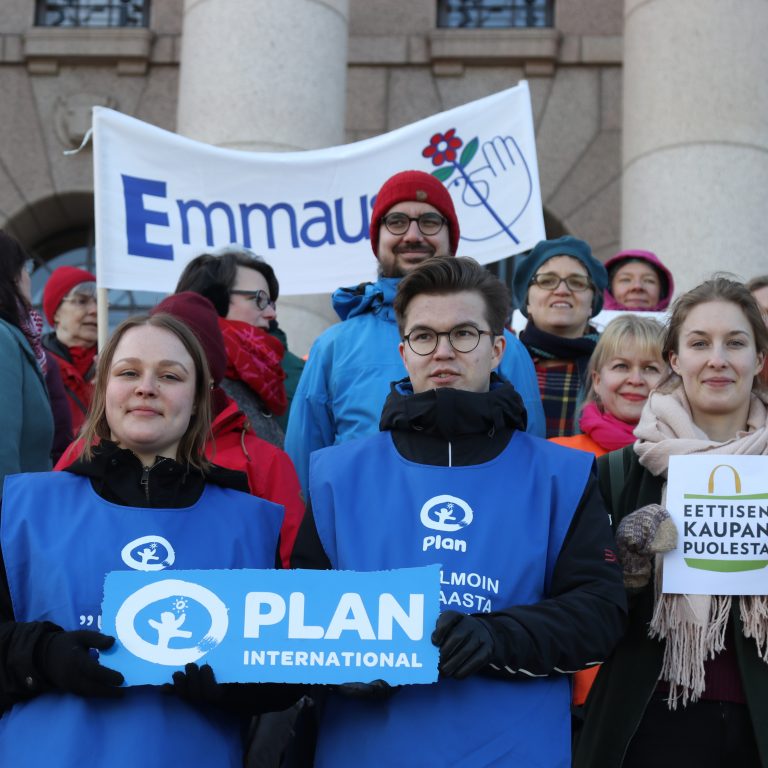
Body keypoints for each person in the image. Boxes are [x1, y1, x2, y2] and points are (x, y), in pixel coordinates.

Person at [292, 256, 626, 767]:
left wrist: (495, 637)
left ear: (497, 350)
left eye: (464, 334)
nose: (443, 351)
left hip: (515, 750)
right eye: (425, 336)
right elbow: (299, 618)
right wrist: (332, 667)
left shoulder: (563, 474)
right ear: (404, 353)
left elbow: (599, 615)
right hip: (367, 749)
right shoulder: (336, 475)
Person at [0, 313, 297, 766]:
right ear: (104, 390)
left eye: (170, 376)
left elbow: (290, 671)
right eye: (128, 372)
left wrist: (241, 682)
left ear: (199, 400)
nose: (146, 387)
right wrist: (41, 654)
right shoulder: (24, 507)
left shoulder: (251, 523)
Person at [574, 277, 768, 767]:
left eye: (736, 343)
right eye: (700, 343)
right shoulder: (617, 472)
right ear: (676, 361)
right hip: (648, 722)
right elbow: (582, 616)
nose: (718, 359)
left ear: (759, 360)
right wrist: (626, 572)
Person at [285, 169, 546, 494]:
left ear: (451, 237)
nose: (412, 235)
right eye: (396, 222)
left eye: (429, 222)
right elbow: (302, 470)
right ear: (376, 238)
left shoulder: (497, 341)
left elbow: (531, 458)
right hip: (365, 534)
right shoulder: (333, 347)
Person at [551, 314, 666, 706]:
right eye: (621, 366)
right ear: (597, 380)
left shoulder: (692, 463)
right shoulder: (557, 456)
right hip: (579, 676)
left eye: (651, 368)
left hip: (665, 678)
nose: (636, 379)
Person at [175, 247, 290, 448]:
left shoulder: (264, 377)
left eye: (271, 303)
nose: (272, 314)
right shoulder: (184, 381)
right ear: (213, 302)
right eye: (259, 299)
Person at [513, 235, 609, 438]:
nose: (562, 290)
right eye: (547, 281)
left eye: (576, 282)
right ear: (527, 302)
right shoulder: (499, 365)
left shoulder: (615, 364)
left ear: (592, 303)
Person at [0, 232, 54, 495]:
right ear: (12, 274)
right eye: (27, 267)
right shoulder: (1, 336)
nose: (29, 277)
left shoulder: (13, 334)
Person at [42, 265, 98, 434]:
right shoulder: (37, 365)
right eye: (82, 301)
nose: (95, 310)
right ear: (56, 313)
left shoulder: (116, 363)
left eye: (100, 302)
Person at [602, 249, 675, 312]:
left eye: (649, 280)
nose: (637, 286)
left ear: (662, 290)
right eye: (626, 280)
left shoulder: (677, 327)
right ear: (609, 288)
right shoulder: (592, 326)